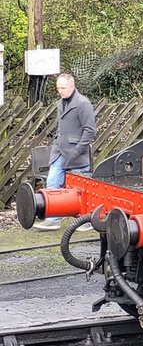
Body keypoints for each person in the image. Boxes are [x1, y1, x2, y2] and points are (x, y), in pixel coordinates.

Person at [32, 74, 96, 231]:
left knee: (80, 190)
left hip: (76, 154)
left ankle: (85, 221)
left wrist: (78, 150)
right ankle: (53, 219)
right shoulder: (60, 103)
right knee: (53, 183)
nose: (59, 91)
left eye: (63, 88)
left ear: (72, 86)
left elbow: (90, 130)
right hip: (60, 151)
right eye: (58, 88)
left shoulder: (83, 104)